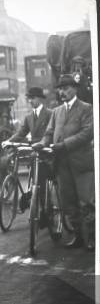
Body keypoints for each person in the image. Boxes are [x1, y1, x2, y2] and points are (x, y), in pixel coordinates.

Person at [32, 74, 94, 250]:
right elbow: (49, 132)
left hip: (82, 163)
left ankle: (92, 238)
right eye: (60, 89)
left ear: (75, 88)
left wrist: (63, 145)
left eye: (66, 88)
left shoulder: (86, 108)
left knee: (86, 202)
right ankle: (78, 236)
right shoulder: (57, 111)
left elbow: (87, 133)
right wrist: (42, 143)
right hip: (62, 164)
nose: (63, 92)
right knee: (68, 202)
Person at [3, 86, 53, 214]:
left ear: (40, 99)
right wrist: (9, 141)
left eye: (33, 98)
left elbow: (51, 133)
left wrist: (44, 144)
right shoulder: (28, 117)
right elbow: (21, 133)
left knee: (42, 180)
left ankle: (45, 209)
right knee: (33, 179)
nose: (30, 101)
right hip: (34, 153)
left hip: (46, 152)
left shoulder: (50, 114)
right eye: (29, 98)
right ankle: (32, 198)